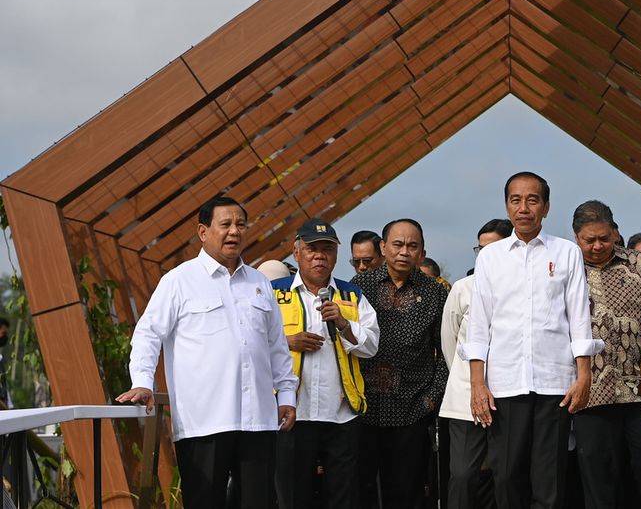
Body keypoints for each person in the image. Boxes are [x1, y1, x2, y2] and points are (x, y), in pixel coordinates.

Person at [117, 196, 298, 509]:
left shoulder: (259, 282)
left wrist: (286, 396)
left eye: (240, 224)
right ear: (203, 232)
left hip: (258, 421)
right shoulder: (178, 281)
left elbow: (276, 346)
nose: (234, 231)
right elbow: (148, 333)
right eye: (225, 224)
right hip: (203, 423)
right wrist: (143, 381)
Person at [461, 172, 603, 509]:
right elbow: (479, 325)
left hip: (555, 384)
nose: (524, 208)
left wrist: (584, 377)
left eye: (532, 200)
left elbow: (579, 319)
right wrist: (477, 385)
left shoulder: (566, 252)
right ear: (508, 206)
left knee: (549, 479)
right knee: (507, 476)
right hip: (504, 385)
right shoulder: (491, 257)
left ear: (546, 206)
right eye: (516, 200)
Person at [272, 219, 380, 509]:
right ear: (296, 253)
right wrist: (287, 342)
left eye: (327, 250)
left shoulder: (351, 295)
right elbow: (250, 343)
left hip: (341, 414)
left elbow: (371, 346)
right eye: (312, 249)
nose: (320, 256)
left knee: (343, 497)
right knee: (293, 497)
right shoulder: (273, 293)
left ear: (335, 256)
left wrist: (344, 325)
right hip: (293, 413)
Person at [573, 201, 641, 509]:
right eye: (589, 240)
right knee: (599, 480)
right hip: (591, 394)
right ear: (576, 236)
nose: (598, 246)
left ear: (614, 232)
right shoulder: (566, 268)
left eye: (604, 237)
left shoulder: (640, 264)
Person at [353, 219, 448, 509]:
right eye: (397, 244)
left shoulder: (435, 292)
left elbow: (446, 353)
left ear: (422, 252)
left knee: (407, 494)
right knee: (361, 491)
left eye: (412, 245)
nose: (404, 251)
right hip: (363, 410)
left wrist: (430, 401)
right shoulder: (360, 286)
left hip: (412, 411)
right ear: (384, 247)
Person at [439, 218, 513, 509]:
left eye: (491, 249)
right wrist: (470, 379)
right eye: (478, 249)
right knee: (463, 474)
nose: (483, 256)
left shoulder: (521, 289)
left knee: (506, 475)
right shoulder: (463, 288)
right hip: (465, 397)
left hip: (509, 396)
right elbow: (450, 341)